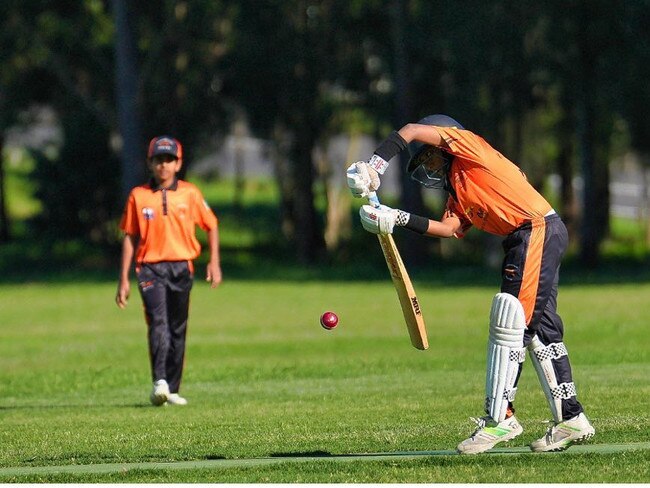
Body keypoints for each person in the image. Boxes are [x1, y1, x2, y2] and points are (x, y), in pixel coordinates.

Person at [346, 114, 595, 454]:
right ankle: (571, 418)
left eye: (432, 156)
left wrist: (375, 165)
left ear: (448, 142)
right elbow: (449, 229)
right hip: (530, 236)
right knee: (541, 330)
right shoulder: (459, 190)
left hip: (534, 231)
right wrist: (396, 217)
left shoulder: (471, 148)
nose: (431, 166)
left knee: (512, 322)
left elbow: (413, 130)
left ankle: (500, 419)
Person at [116, 135, 222, 406]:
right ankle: (159, 381)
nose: (163, 165)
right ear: (150, 163)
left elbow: (211, 225)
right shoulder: (138, 196)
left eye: (169, 160)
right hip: (150, 268)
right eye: (158, 160)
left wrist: (214, 262)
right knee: (159, 323)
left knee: (178, 328)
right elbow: (129, 236)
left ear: (178, 164)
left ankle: (172, 388)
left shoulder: (190, 193)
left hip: (182, 267)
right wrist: (123, 280)